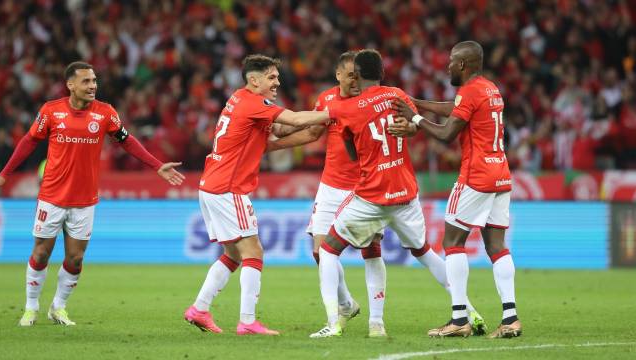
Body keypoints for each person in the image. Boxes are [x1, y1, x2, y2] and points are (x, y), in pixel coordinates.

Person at [0, 61, 185, 327]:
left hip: (85, 199)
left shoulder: (105, 113)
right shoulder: (51, 111)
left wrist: (157, 165)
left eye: (94, 81)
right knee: (42, 252)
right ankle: (31, 306)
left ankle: (58, 307)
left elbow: (127, 140)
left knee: (76, 258)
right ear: (70, 85)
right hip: (52, 196)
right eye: (86, 82)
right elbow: (29, 141)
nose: (92, 86)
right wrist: (5, 174)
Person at [309, 49, 483, 339]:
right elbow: (413, 126)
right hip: (406, 194)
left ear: (358, 74)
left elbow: (352, 153)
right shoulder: (397, 95)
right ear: (382, 73)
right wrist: (408, 131)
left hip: (372, 197)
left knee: (327, 250)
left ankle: (335, 322)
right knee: (425, 252)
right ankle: (468, 312)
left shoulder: (349, 109)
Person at [184, 54, 333, 336]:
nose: (277, 82)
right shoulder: (254, 103)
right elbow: (295, 118)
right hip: (228, 188)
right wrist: (338, 112)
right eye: (271, 77)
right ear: (254, 80)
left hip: (211, 185)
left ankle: (199, 309)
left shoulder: (239, 100)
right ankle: (248, 321)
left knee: (232, 254)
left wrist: (312, 132)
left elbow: (276, 135)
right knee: (253, 251)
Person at [390, 40, 521, 338]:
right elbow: (459, 109)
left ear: (462, 64)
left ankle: (459, 319)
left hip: (476, 175)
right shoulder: (489, 88)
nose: (447, 65)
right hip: (501, 173)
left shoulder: (472, 90)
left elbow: (448, 133)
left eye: (451, 61)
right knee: (497, 247)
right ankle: (511, 318)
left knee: (452, 241)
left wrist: (416, 118)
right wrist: (419, 103)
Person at [267, 51, 387, 337]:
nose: (355, 81)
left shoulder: (372, 100)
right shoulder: (326, 100)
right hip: (332, 185)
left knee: (370, 250)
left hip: (365, 186)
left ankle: (377, 321)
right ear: (338, 75)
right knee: (320, 252)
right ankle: (344, 306)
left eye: (358, 76)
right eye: (350, 76)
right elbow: (310, 134)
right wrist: (271, 146)